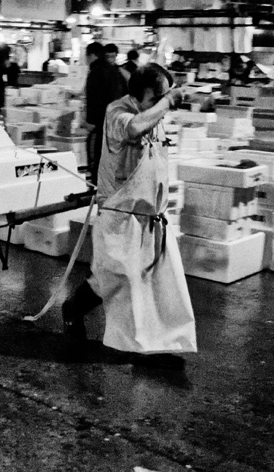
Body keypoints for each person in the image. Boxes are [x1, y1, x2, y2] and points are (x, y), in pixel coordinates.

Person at [63, 64, 197, 369]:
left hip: (150, 214)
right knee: (115, 277)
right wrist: (166, 102)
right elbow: (134, 128)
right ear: (145, 93)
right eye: (159, 95)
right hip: (120, 213)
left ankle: (153, 341)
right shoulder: (117, 112)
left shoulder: (155, 113)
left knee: (152, 278)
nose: (164, 100)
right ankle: (73, 307)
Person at [84, 42, 126, 186]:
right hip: (116, 122)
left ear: (91, 55)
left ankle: (97, 189)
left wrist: (90, 121)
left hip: (102, 123)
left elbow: (93, 98)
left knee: (97, 157)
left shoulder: (96, 71)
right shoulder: (115, 71)